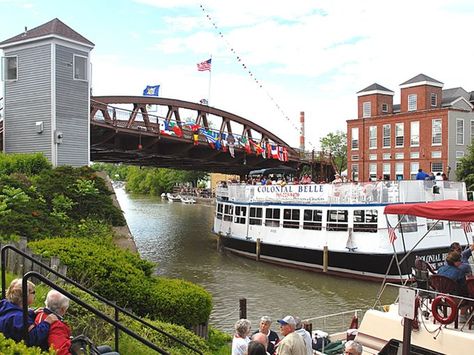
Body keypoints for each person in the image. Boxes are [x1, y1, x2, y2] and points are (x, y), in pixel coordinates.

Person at [35, 290, 119, 355]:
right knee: (115, 354)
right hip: (68, 350)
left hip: (68, 347)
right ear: (63, 309)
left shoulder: (41, 314)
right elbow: (60, 352)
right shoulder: (56, 326)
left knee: (107, 348)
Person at [0, 278, 57, 346]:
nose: (35, 294)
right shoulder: (20, 318)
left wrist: (31, 312)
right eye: (33, 292)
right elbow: (33, 338)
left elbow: (14, 312)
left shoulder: (4, 304)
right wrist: (47, 322)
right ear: (25, 295)